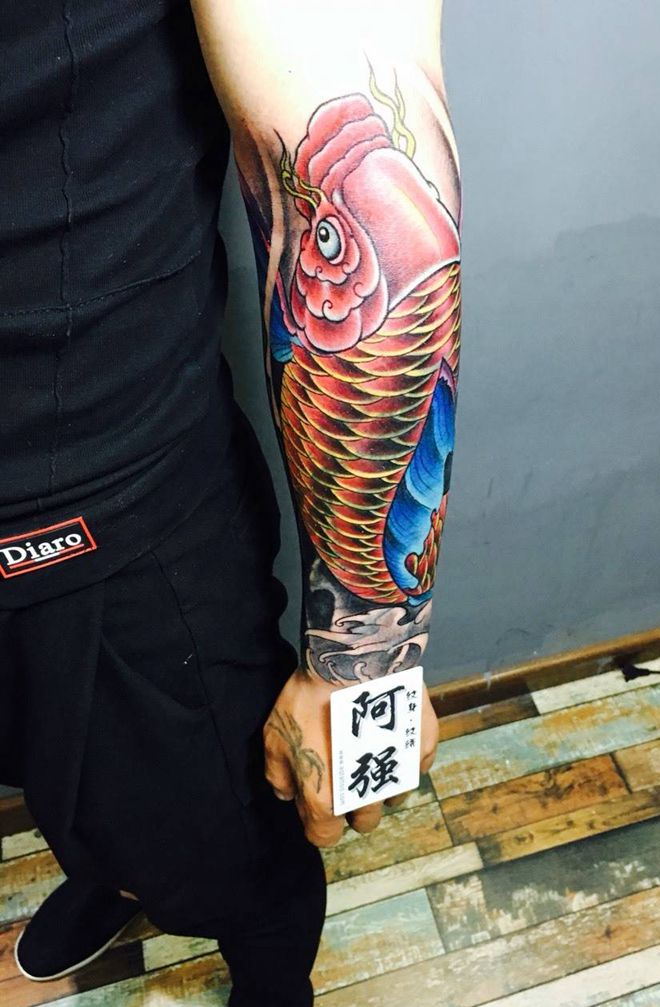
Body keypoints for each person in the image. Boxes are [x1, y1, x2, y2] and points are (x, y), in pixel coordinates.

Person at [0, 1, 461, 1003]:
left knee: (232, 832)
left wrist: (367, 665)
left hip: (97, 498)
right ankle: (109, 870)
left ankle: (271, 981)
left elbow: (348, 116)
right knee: (57, 777)